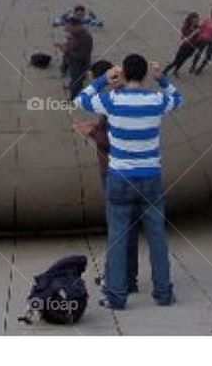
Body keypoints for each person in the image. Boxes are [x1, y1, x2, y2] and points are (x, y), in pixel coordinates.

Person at [77, 54, 182, 309]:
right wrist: (162, 78)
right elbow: (178, 99)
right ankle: (163, 292)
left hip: (120, 177)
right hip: (151, 177)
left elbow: (81, 100)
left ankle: (116, 296)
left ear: (123, 74)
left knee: (118, 236)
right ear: (145, 74)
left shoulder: (111, 100)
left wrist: (104, 78)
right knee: (157, 235)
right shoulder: (157, 100)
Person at [72, 61, 142, 296]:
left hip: (115, 172)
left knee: (120, 228)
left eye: (97, 80)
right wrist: (98, 126)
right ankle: (127, 276)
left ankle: (120, 279)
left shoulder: (116, 100)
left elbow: (115, 140)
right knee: (127, 227)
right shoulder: (126, 98)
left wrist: (91, 132)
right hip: (132, 171)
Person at [162, 12, 201, 77]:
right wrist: (195, 32)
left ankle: (176, 71)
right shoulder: (185, 27)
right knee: (176, 60)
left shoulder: (198, 27)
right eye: (194, 21)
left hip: (192, 48)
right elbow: (185, 39)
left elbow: (199, 37)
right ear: (190, 20)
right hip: (184, 47)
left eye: (197, 20)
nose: (196, 22)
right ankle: (164, 71)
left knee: (183, 60)